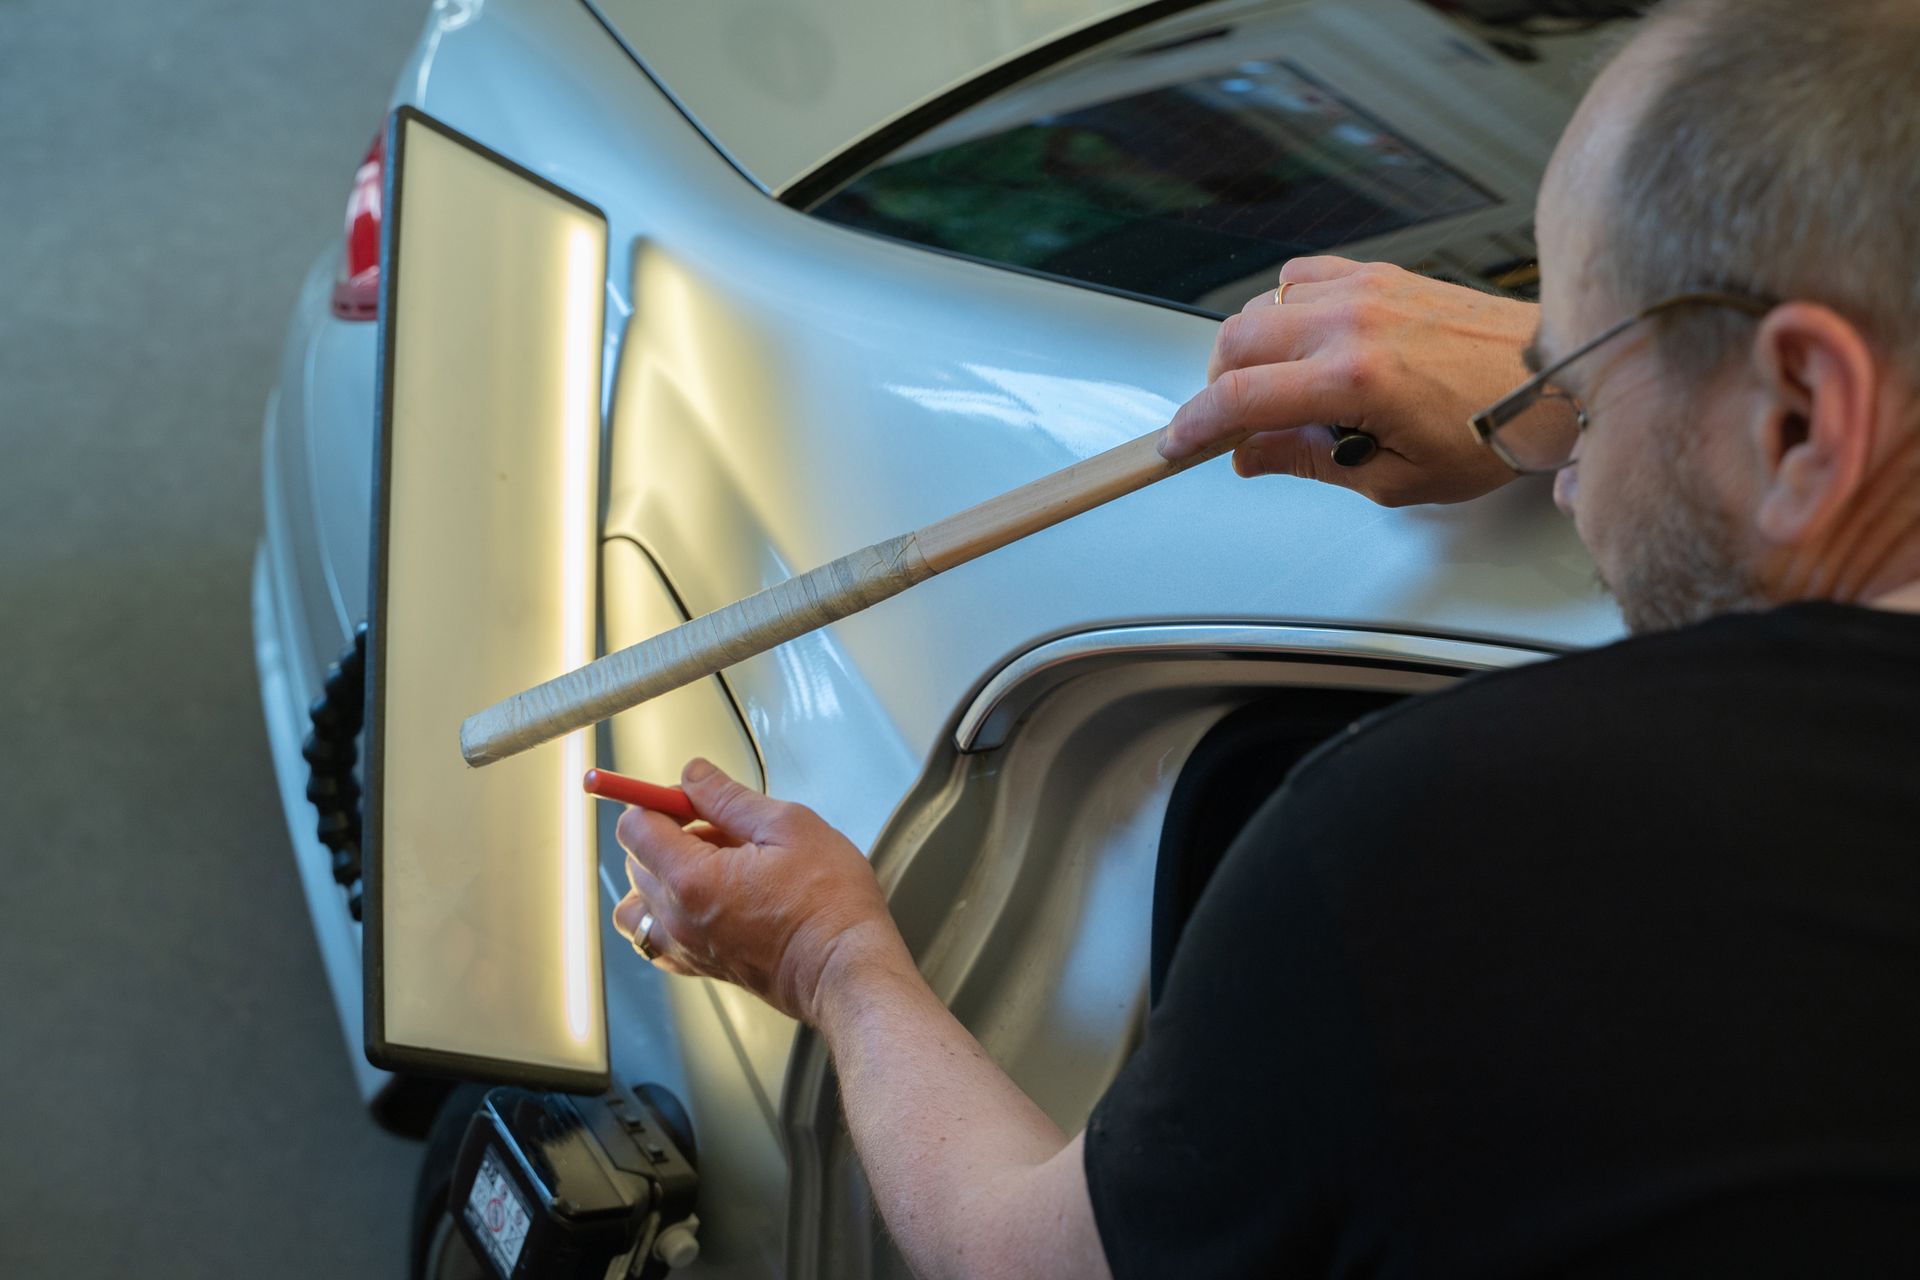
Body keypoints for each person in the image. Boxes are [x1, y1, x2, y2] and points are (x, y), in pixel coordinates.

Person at [612, 0, 1920, 1273]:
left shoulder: (1445, 846)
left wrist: (830, 956)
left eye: (1573, 380)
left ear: (1804, 414)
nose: (1561, 460)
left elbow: (1028, 1258)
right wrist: (1631, 387)